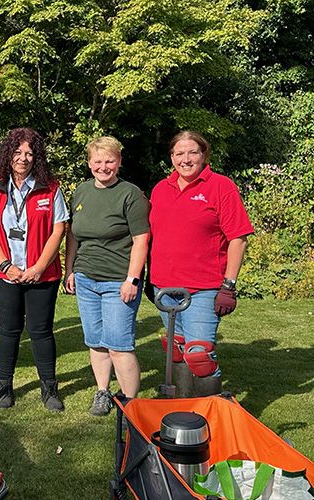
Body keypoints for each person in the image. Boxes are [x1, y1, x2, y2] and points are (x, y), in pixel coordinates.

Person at [149, 131, 253, 397]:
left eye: (192, 152)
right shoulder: (161, 189)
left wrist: (228, 286)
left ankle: (210, 412)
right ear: (171, 157)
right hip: (164, 287)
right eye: (179, 153)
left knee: (200, 356)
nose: (186, 159)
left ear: (203, 155)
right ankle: (184, 408)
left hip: (204, 288)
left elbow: (238, 238)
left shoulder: (221, 186)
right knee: (177, 350)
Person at [0, 128, 68, 412]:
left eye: (29, 153)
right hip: (5, 273)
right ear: (9, 155)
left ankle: (49, 389)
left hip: (43, 274)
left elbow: (59, 230)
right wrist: (7, 266)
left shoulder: (50, 188)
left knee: (41, 331)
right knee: (9, 330)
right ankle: (4, 386)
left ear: (37, 156)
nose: (23, 158)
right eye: (17, 152)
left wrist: (39, 267)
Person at [64, 136, 150, 417]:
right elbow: (73, 235)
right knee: (96, 341)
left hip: (118, 282)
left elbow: (141, 240)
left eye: (109, 160)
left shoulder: (131, 194)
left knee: (119, 345)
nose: (104, 167)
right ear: (89, 163)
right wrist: (70, 270)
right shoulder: (81, 192)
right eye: (98, 161)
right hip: (87, 278)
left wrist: (132, 280)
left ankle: (129, 402)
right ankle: (102, 391)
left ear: (119, 162)